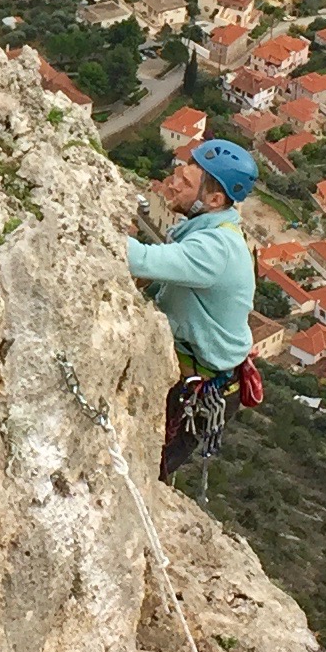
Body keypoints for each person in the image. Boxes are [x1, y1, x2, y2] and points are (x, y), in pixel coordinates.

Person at [127, 135, 262, 479]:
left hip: (201, 385)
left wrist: (85, 224)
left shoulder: (216, 247)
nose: (172, 183)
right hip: (194, 368)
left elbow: (140, 259)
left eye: (185, 182)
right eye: (178, 173)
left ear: (214, 199)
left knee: (144, 471)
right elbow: (173, 282)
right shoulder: (208, 228)